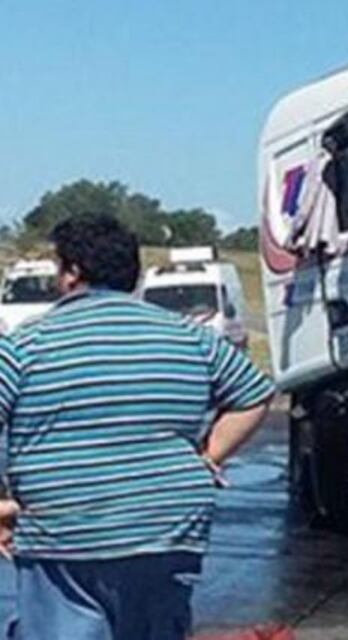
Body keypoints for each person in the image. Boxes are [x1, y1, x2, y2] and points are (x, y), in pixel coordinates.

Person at [0, 213, 275, 639]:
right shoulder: (190, 337)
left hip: (64, 530)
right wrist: (208, 457)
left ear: (72, 272)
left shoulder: (26, 344)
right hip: (168, 526)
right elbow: (254, 394)